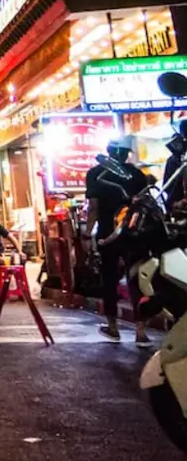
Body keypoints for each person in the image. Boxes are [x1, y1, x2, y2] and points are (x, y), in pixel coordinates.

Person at [85, 136, 150, 345]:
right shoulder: (137, 174)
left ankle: (113, 327)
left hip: (108, 234)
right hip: (135, 232)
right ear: (127, 153)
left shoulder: (95, 173)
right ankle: (141, 332)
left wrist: (87, 234)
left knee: (110, 278)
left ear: (109, 150)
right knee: (137, 280)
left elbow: (93, 208)